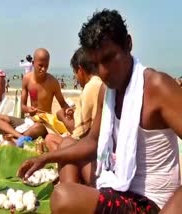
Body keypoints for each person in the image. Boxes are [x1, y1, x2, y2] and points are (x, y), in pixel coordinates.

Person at [18, 9, 182, 213]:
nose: (103, 72)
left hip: (149, 203)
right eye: (96, 64)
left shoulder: (157, 87)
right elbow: (93, 142)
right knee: (67, 145)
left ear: (128, 44)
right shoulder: (107, 90)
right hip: (117, 181)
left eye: (109, 58)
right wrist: (44, 159)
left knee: (63, 196)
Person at [0, 48, 73, 141]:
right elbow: (22, 106)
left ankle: (14, 134)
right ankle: (20, 136)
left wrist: (68, 110)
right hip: (28, 120)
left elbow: (62, 103)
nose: (43, 69)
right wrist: (28, 109)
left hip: (43, 123)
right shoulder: (27, 79)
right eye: (40, 65)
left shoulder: (53, 82)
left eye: (46, 66)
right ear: (33, 63)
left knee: (37, 127)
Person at [45, 47, 103, 151]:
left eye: (75, 73)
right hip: (99, 141)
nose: (75, 77)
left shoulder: (90, 87)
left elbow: (78, 132)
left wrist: (62, 117)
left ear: (80, 70)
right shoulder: (101, 83)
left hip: (91, 146)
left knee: (50, 139)